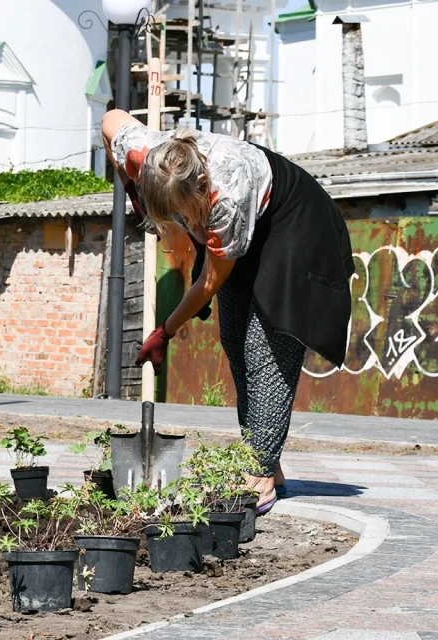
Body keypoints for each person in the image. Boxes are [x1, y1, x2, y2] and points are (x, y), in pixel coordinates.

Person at [102, 109, 353, 512]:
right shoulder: (146, 153)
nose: (184, 222)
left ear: (201, 187)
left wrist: (164, 331)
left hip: (293, 224)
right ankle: (268, 458)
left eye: (186, 212)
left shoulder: (226, 199)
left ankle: (260, 475)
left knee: (265, 348)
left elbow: (209, 284)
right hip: (245, 224)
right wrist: (133, 191)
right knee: (235, 341)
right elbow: (111, 120)